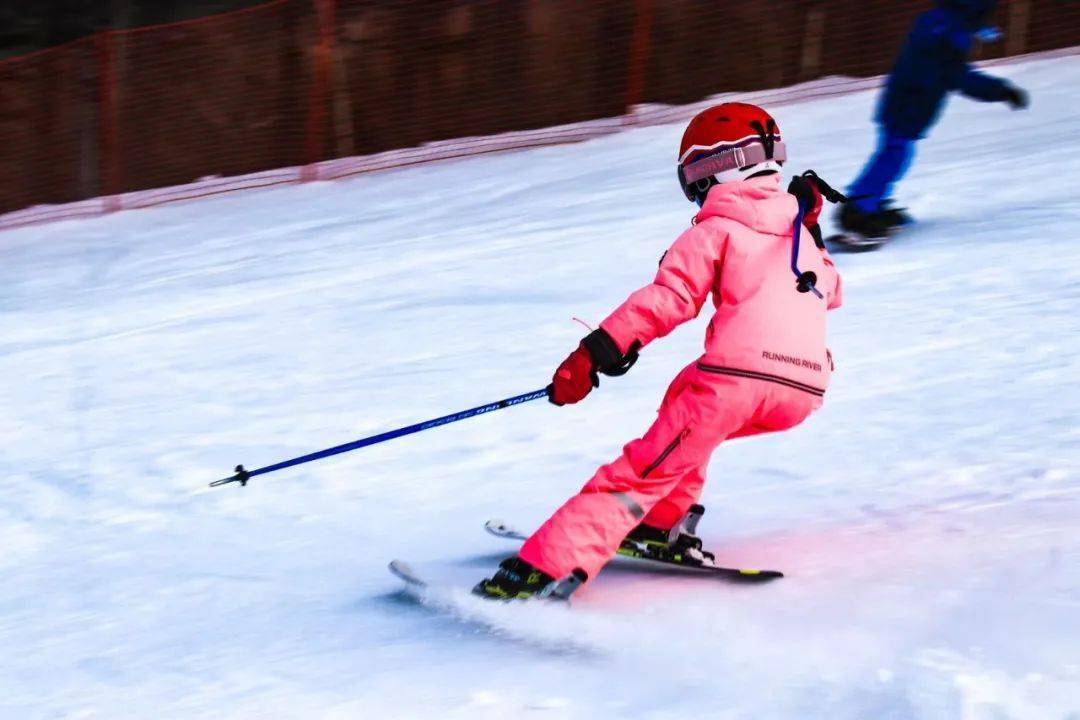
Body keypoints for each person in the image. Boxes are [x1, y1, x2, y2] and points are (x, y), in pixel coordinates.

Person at [475, 103, 845, 600]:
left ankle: (543, 568)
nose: (694, 188)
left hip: (735, 385)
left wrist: (595, 352)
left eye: (696, 172)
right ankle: (662, 523)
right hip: (804, 391)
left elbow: (667, 301)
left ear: (724, 166)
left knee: (641, 470)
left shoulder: (714, 231)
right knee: (686, 409)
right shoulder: (800, 234)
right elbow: (835, 291)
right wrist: (812, 229)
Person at [838, 0, 1029, 240]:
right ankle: (859, 210)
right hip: (910, 101)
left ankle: (870, 203)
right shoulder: (951, 31)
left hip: (907, 98)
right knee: (894, 153)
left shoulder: (942, 21)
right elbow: (957, 76)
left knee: (896, 153)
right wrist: (1001, 90)